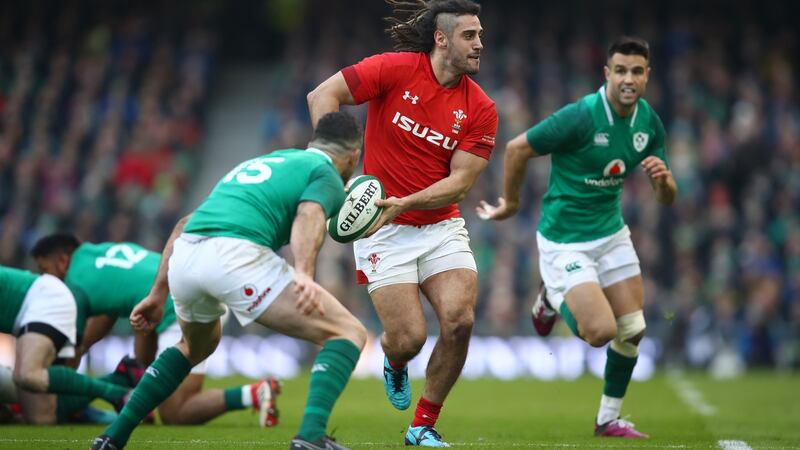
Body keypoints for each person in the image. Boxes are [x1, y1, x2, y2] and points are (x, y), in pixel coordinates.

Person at [91, 111, 368, 450]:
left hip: (187, 256)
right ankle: (310, 436)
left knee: (195, 346)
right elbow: (309, 214)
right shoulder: (325, 173)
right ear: (353, 155)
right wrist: (305, 274)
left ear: (313, 142)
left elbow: (183, 223)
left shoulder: (269, 161)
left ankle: (111, 437)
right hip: (236, 255)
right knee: (348, 332)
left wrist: (157, 294)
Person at [307, 0, 497, 446]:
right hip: (381, 230)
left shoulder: (481, 107)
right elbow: (322, 96)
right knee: (408, 339)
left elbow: (460, 184)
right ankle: (394, 362)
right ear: (441, 38)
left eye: (481, 36)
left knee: (459, 320)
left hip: (439, 226)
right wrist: (331, 168)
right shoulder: (393, 69)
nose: (479, 45)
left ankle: (422, 426)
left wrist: (403, 202)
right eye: (470, 36)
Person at [478, 36, 676, 439]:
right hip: (565, 239)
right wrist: (512, 204)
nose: (628, 78)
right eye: (620, 70)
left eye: (636, 71)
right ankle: (551, 295)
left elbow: (666, 196)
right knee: (601, 332)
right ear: (607, 74)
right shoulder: (581, 116)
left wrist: (665, 183)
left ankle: (608, 419)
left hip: (611, 233)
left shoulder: (649, 123)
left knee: (634, 327)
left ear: (646, 76)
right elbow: (517, 149)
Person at [30, 234, 280, 427]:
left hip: (180, 310)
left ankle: (252, 394)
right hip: (195, 296)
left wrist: (56, 399)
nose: (44, 279)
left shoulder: (75, 282)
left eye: (44, 270)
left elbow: (73, 352)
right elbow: (104, 316)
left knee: (175, 412)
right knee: (142, 365)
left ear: (62, 261)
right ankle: (252, 394)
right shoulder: (99, 255)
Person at [0, 265, 133, 424]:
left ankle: (115, 393)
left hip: (45, 299)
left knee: (27, 374)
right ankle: (116, 381)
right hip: (42, 304)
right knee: (41, 419)